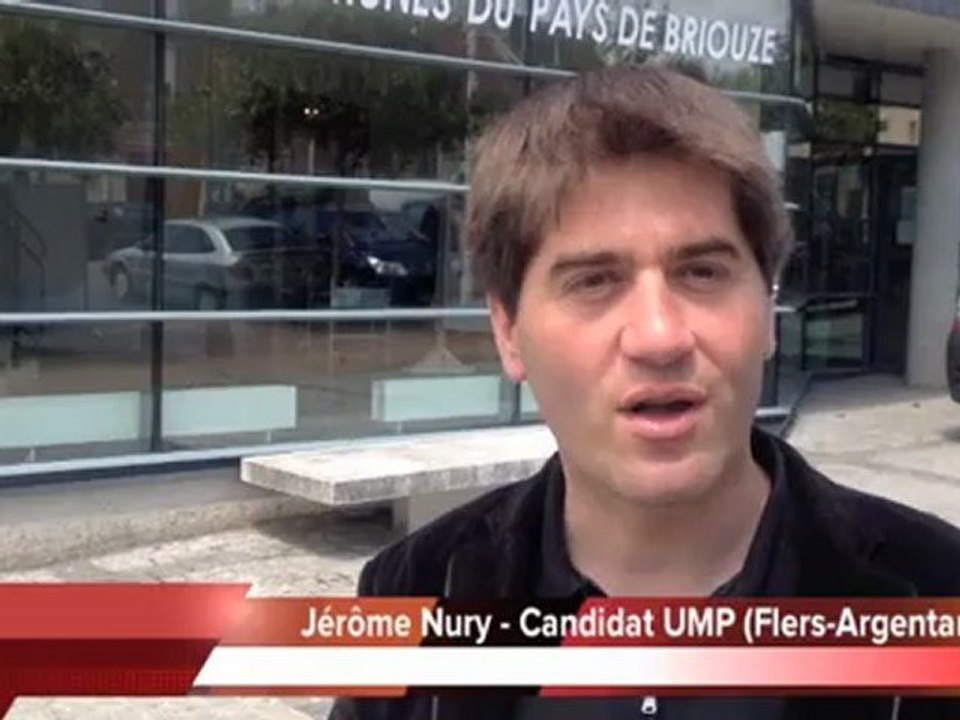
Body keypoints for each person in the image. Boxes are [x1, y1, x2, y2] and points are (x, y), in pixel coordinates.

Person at [330, 64, 960, 720]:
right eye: (594, 281)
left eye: (703, 271)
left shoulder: (937, 591)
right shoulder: (411, 594)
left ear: (768, 312)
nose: (659, 337)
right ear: (509, 332)